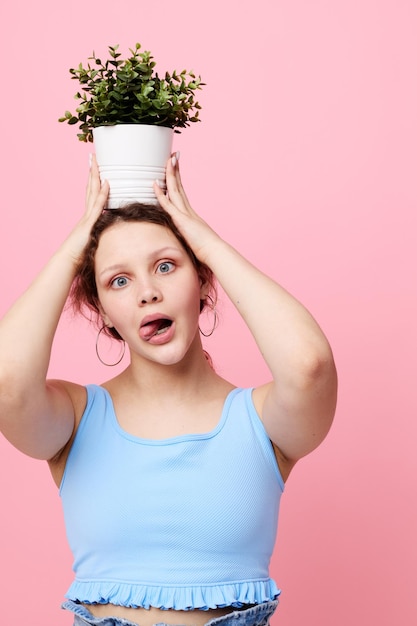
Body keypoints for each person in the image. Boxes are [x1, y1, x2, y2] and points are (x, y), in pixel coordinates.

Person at [0, 153, 337, 626]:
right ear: (104, 312)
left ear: (201, 280)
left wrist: (206, 242)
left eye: (165, 267)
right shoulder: (74, 419)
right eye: (119, 280)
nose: (146, 293)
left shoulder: (261, 421)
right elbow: (8, 382)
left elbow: (310, 365)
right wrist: (76, 246)